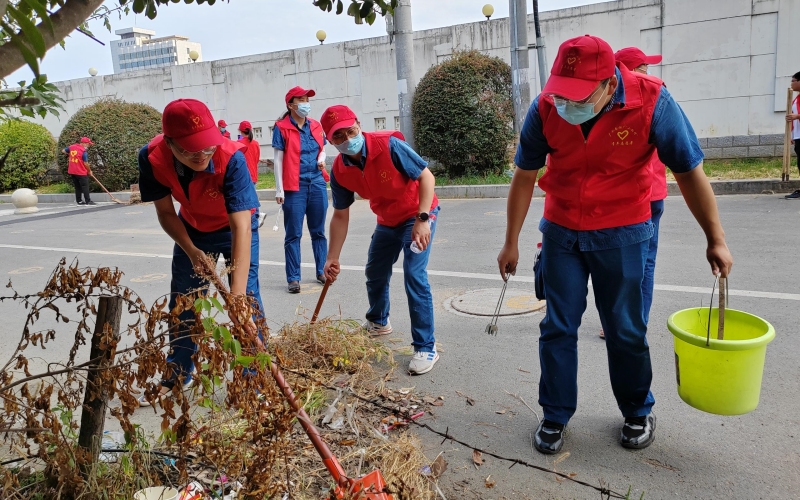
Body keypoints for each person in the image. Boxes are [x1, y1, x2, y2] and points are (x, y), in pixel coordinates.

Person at [498, 35, 733, 454]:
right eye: (561, 92)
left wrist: (715, 239)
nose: (565, 103)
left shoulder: (653, 102)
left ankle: (638, 410)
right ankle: (555, 415)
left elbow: (689, 171)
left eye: (578, 95)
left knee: (625, 329)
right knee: (557, 327)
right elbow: (524, 174)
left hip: (623, 230)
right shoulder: (546, 106)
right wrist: (511, 242)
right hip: (561, 230)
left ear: (610, 83)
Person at [136, 98, 264, 405]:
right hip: (191, 228)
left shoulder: (231, 157)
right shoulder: (152, 157)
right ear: (169, 143)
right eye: (191, 149)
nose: (203, 154)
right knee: (183, 304)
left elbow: (242, 227)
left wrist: (235, 298)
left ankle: (252, 382)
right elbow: (166, 213)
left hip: (234, 227)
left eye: (207, 146)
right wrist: (192, 250)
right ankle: (178, 375)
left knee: (246, 303)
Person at [321, 105, 441, 375]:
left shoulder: (389, 145)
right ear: (330, 142)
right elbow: (340, 216)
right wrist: (332, 257)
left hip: (417, 212)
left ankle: (425, 346)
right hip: (387, 219)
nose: (347, 139)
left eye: (350, 131)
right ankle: (378, 321)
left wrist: (423, 218)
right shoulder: (340, 171)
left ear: (359, 124)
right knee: (375, 271)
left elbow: (425, 176)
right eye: (338, 136)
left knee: (414, 274)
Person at [272, 86, 329, 293]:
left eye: (307, 99)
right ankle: (293, 278)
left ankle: (322, 271)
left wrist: (321, 160)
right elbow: (278, 160)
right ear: (291, 105)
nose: (306, 103)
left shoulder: (316, 125)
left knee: (318, 232)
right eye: (301, 100)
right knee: (293, 234)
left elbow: (322, 149)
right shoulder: (281, 127)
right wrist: (279, 190)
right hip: (294, 187)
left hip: (316, 182)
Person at [63, 137, 96, 206]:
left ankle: (79, 201)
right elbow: (86, 163)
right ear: (84, 143)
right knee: (85, 186)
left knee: (77, 186)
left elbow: (63, 151)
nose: (89, 146)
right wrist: (89, 171)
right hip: (81, 171)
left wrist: (70, 155)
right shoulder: (83, 151)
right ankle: (88, 201)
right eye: (88, 144)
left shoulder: (72, 147)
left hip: (72, 171)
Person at [785, 72, 800, 199]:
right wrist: (792, 135)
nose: (791, 83)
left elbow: (796, 116)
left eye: (793, 80)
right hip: (798, 135)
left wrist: (797, 116)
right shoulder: (796, 98)